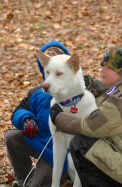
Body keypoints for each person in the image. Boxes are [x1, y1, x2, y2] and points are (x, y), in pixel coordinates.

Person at [50, 46, 122, 187]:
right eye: (102, 65)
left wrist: (58, 117)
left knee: (80, 143)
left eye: (109, 68)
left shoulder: (119, 102)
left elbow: (89, 126)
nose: (102, 70)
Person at [4, 41, 71, 187]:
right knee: (11, 137)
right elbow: (19, 110)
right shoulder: (37, 93)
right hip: (40, 143)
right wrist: (26, 119)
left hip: (60, 155)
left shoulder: (78, 89)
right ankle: (24, 178)